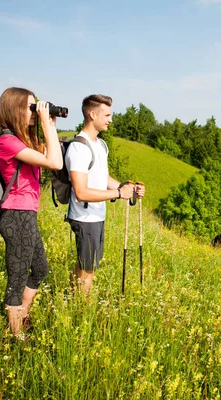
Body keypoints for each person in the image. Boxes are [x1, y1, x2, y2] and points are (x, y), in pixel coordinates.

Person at [0, 87, 63, 340]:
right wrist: (48, 127)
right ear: (13, 108)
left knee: (40, 270)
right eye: (30, 107)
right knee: (17, 277)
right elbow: (55, 164)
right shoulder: (6, 141)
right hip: (16, 216)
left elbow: (53, 158)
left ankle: (22, 315)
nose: (33, 112)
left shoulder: (21, 141)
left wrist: (49, 123)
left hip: (27, 215)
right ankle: (15, 335)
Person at [65, 94, 145, 294]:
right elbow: (81, 192)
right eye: (107, 115)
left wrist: (129, 190)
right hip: (84, 217)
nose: (111, 119)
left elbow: (104, 178)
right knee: (88, 268)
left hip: (96, 215)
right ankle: (81, 309)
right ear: (92, 114)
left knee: (86, 265)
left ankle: (70, 297)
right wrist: (118, 193)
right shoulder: (78, 148)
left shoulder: (100, 145)